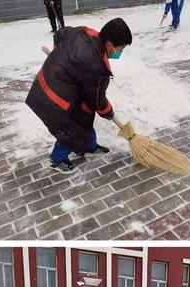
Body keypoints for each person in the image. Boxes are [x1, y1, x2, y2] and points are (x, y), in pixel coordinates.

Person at [26, 18, 132, 174]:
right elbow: (98, 100)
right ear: (110, 44)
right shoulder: (97, 67)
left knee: (85, 115)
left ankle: (89, 147)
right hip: (54, 96)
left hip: (54, 80)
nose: (119, 53)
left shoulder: (83, 31)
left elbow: (61, 33)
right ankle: (57, 159)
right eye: (120, 48)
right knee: (71, 128)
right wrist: (108, 112)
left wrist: (59, 53)